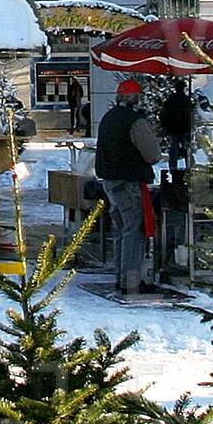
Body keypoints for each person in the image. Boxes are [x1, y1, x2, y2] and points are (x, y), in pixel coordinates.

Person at [93, 78, 162, 295]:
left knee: (121, 230)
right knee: (134, 231)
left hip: (110, 183)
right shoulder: (135, 121)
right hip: (129, 182)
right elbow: (152, 154)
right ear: (135, 98)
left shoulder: (108, 118)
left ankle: (121, 277)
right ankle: (130, 281)